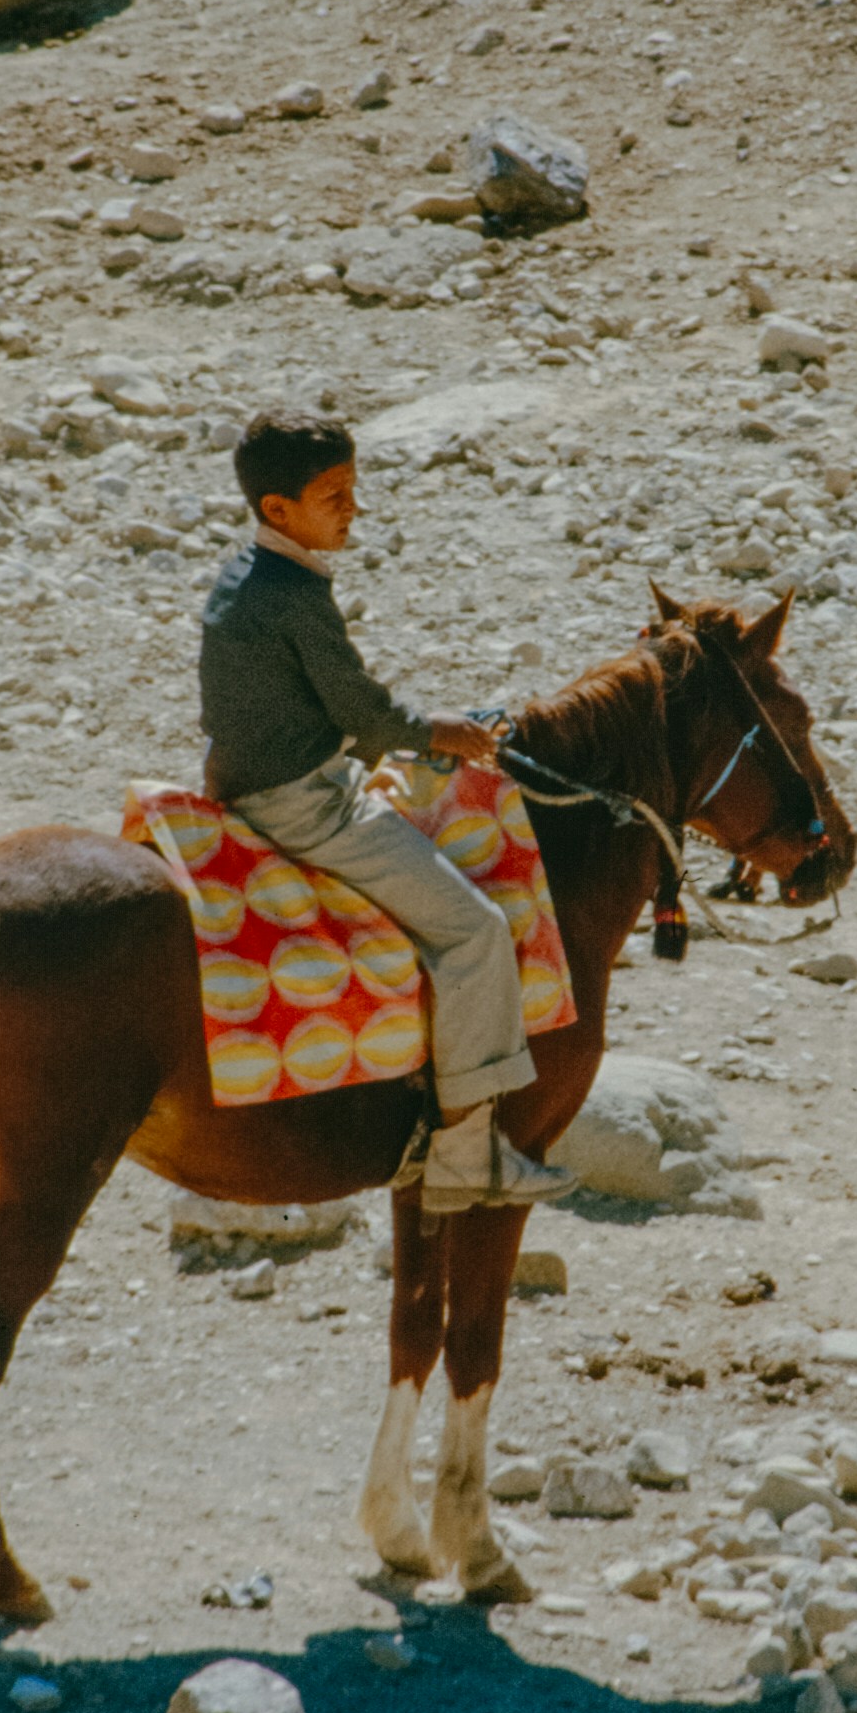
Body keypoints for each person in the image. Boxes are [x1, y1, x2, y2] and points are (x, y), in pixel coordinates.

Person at [197, 410, 577, 1214]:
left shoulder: (242, 577)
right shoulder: (297, 597)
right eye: (333, 494)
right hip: (303, 806)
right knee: (474, 928)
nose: (352, 509)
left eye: (352, 489)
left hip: (251, 781)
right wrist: (444, 731)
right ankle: (466, 1156)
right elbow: (362, 709)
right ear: (277, 510)